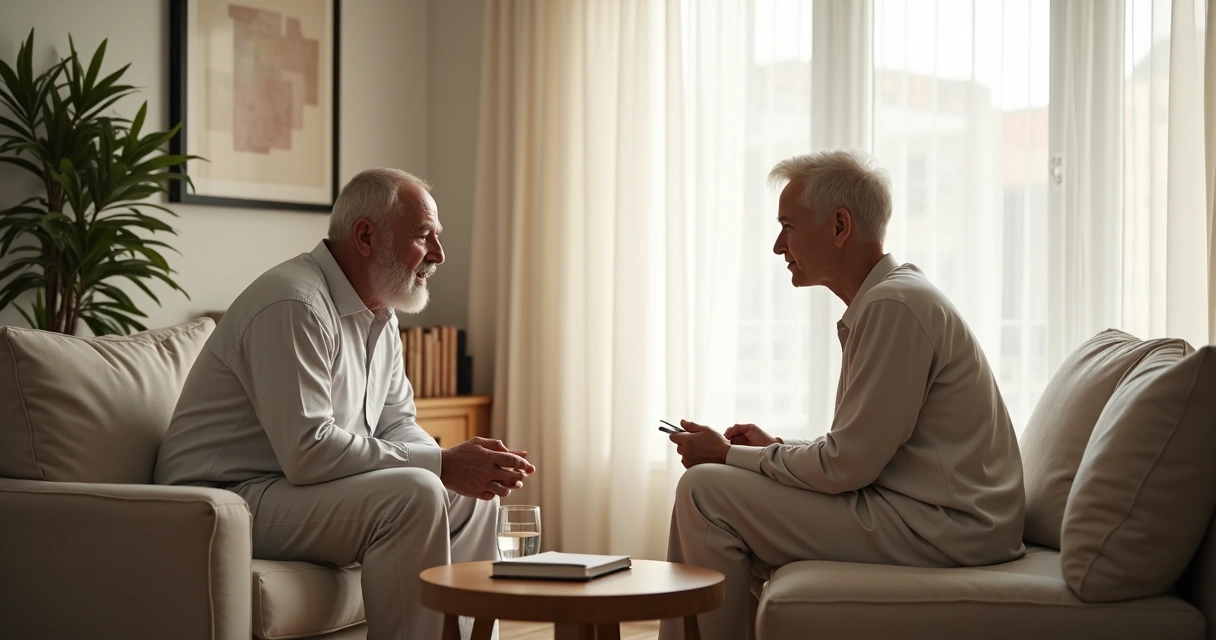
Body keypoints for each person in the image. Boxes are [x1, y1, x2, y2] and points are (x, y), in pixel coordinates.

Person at [659, 150, 1025, 640]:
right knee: (714, 484)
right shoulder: (890, 300)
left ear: (838, 226)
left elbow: (845, 467)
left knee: (705, 490)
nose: (776, 246)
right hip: (936, 518)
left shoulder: (894, 306)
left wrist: (731, 454)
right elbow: (860, 453)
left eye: (787, 226)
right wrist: (769, 448)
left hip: (948, 528)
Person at [155, 169, 535, 640]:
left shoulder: (381, 312)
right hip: (221, 498)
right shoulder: (294, 304)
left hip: (286, 489)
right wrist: (441, 463)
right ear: (366, 236)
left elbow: (398, 423)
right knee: (416, 494)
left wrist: (456, 467)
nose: (439, 254)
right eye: (424, 237)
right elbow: (308, 451)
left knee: (472, 497)